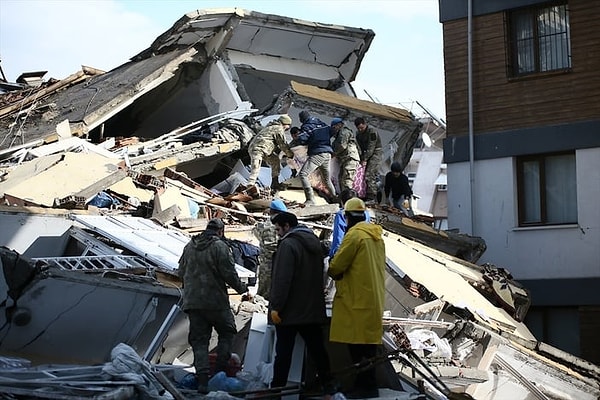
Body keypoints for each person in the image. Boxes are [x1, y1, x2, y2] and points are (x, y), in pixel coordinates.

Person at [178, 218, 251, 394]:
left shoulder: (189, 246)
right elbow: (229, 274)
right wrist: (242, 289)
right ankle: (218, 373)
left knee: (199, 341)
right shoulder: (219, 247)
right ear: (220, 231)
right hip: (216, 302)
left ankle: (202, 380)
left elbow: (180, 271)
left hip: (193, 302)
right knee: (227, 332)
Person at [269, 211, 335, 394]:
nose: (277, 233)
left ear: (287, 226)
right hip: (312, 310)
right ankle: (328, 385)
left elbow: (283, 279)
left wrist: (276, 307)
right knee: (317, 350)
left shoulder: (288, 245)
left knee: (283, 355)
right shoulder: (314, 243)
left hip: (289, 312)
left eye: (278, 229)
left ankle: (276, 391)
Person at [327, 198, 385, 399]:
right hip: (373, 301)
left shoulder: (354, 236)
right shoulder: (377, 237)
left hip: (356, 302)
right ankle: (369, 386)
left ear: (348, 217)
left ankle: (364, 388)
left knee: (357, 349)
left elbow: (335, 267)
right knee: (369, 349)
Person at [297, 110, 337, 205]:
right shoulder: (321, 123)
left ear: (302, 119)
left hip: (318, 153)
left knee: (303, 174)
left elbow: (302, 139)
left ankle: (310, 199)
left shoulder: (307, 126)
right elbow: (331, 131)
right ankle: (336, 199)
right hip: (327, 154)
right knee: (326, 179)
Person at [252, 198, 288, 299]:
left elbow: (256, 234)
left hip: (265, 265)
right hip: (279, 264)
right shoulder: (282, 226)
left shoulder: (262, 225)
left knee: (263, 294)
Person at [247, 115, 294, 191]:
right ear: (285, 124)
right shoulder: (278, 128)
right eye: (288, 126)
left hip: (262, 149)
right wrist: (290, 154)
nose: (287, 128)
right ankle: (250, 185)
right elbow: (283, 144)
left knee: (275, 160)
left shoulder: (270, 126)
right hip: (259, 149)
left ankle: (275, 183)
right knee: (256, 167)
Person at [328, 188, 370, 259]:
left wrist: (332, 256)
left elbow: (338, 239)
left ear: (342, 202)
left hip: (347, 253)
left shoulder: (342, 214)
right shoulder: (366, 213)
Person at [354, 117, 382, 203]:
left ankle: (372, 197)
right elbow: (359, 147)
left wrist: (365, 159)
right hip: (365, 154)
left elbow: (371, 147)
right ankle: (365, 195)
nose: (360, 129)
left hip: (375, 154)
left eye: (361, 128)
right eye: (358, 128)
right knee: (362, 176)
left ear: (365, 124)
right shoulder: (358, 134)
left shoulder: (372, 132)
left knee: (369, 174)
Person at [330, 117, 360, 194]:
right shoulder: (339, 134)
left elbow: (342, 146)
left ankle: (349, 201)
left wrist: (334, 153)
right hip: (346, 159)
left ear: (339, 125)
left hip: (350, 158)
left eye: (334, 127)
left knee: (347, 181)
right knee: (341, 180)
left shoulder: (344, 132)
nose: (334, 129)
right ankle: (344, 200)